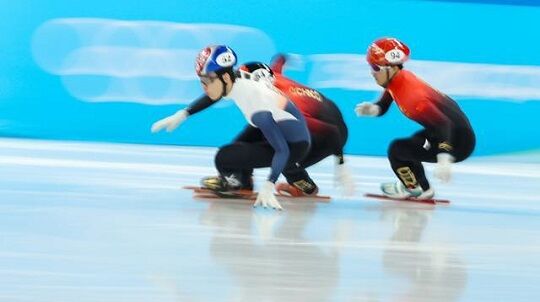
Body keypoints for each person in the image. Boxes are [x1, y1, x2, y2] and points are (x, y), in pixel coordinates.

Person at [152, 55, 355, 197]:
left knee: (288, 159)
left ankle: (306, 187)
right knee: (246, 137)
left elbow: (333, 132)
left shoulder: (277, 99)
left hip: (327, 132)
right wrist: (185, 112)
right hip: (303, 114)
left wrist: (341, 164)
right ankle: (240, 179)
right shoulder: (264, 79)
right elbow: (226, 87)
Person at [153, 45, 311, 210]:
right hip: (285, 130)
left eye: (207, 80)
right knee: (238, 145)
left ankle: (236, 183)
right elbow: (215, 94)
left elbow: (282, 150)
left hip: (293, 146)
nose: (204, 87)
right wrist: (184, 113)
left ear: (226, 79)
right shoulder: (236, 79)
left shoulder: (258, 106)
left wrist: (269, 185)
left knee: (225, 157)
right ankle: (246, 181)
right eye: (201, 80)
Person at [355, 37, 475, 199]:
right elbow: (384, 103)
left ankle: (414, 188)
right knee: (412, 144)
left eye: (375, 67)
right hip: (443, 131)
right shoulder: (398, 79)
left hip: (457, 141)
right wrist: (374, 109)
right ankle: (421, 187)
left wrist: (444, 156)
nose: (372, 72)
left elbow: (444, 124)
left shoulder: (414, 97)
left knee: (397, 150)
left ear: (391, 68)